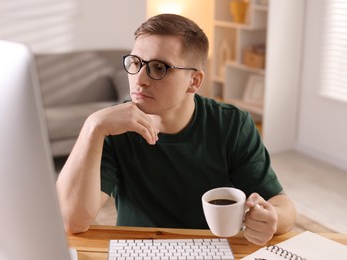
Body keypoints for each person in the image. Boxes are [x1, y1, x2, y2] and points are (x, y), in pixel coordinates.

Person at [56, 13, 296, 246]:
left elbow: (283, 205)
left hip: (211, 250)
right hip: (137, 250)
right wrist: (92, 127)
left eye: (159, 68)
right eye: (136, 63)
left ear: (194, 81)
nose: (140, 79)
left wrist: (272, 219)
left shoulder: (232, 124)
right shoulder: (112, 128)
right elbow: (71, 221)